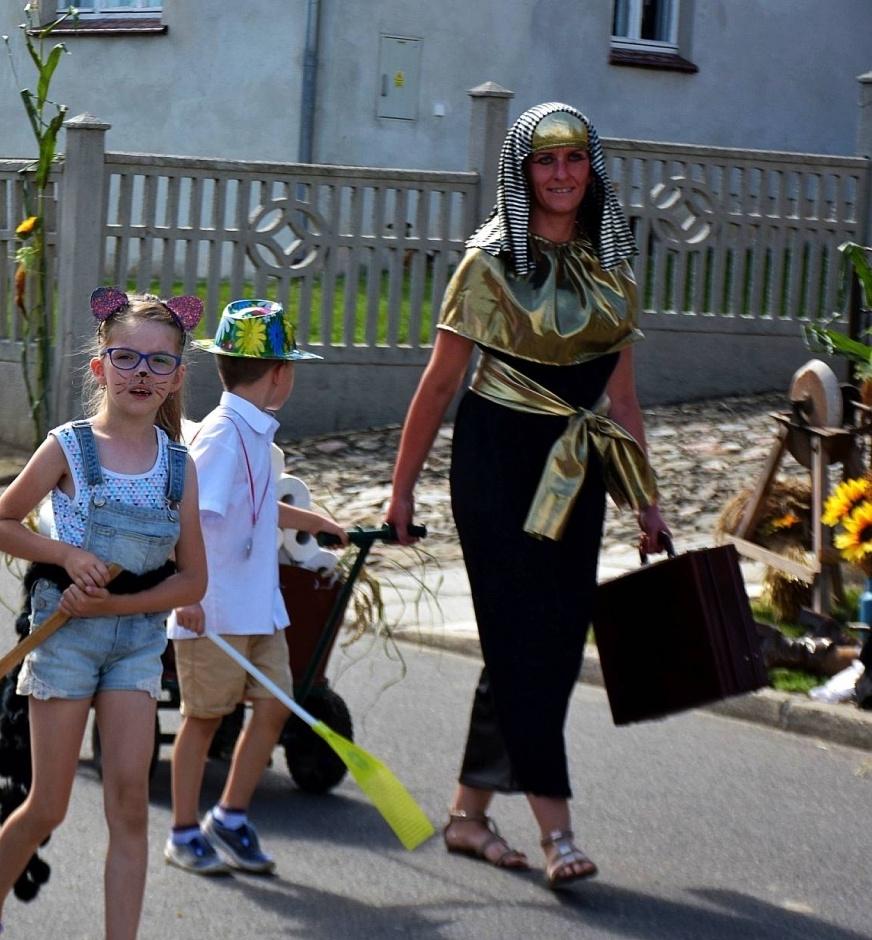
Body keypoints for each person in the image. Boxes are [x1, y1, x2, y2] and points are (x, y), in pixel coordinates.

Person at [384, 102, 672, 890]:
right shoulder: (486, 263)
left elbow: (625, 400)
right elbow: (440, 383)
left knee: (540, 640)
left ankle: (467, 816)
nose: (561, 174)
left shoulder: (613, 264)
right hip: (498, 464)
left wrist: (647, 501)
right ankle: (557, 827)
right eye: (544, 161)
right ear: (522, 170)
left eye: (574, 158)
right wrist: (400, 492)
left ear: (592, 166)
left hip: (576, 470)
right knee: (525, 642)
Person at [0, 287, 209, 940]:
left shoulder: (179, 466)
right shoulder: (68, 446)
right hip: (62, 634)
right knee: (50, 803)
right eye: (125, 356)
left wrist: (123, 609)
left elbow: (192, 580)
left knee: (131, 804)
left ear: (174, 377)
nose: (140, 372)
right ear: (100, 365)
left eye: (158, 361)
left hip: (133, 640)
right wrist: (65, 555)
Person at [163, 299, 348, 876]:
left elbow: (255, 509)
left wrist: (311, 521)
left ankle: (231, 816)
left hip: (259, 608)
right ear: (280, 374)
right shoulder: (221, 437)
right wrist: (185, 593)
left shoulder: (255, 432)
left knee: (273, 708)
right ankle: (183, 831)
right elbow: (182, 517)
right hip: (212, 610)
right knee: (204, 718)